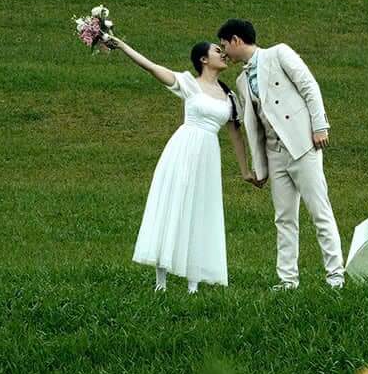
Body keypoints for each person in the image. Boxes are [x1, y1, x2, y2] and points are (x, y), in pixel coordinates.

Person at [106, 33, 254, 292]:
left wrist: (245, 171)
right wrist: (120, 44)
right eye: (217, 51)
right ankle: (160, 282)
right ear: (203, 59)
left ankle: (193, 283)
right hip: (183, 148)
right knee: (173, 204)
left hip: (207, 155)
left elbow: (235, 135)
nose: (223, 53)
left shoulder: (228, 95)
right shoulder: (188, 83)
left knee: (199, 209)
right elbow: (151, 66)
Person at [217, 18, 345, 289]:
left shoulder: (279, 53)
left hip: (302, 145)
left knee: (319, 212)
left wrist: (320, 125)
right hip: (275, 154)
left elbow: (309, 86)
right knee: (284, 218)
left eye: (224, 44)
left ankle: (336, 277)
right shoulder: (241, 80)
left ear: (237, 40)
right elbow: (256, 128)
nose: (224, 51)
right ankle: (287, 279)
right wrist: (260, 167)